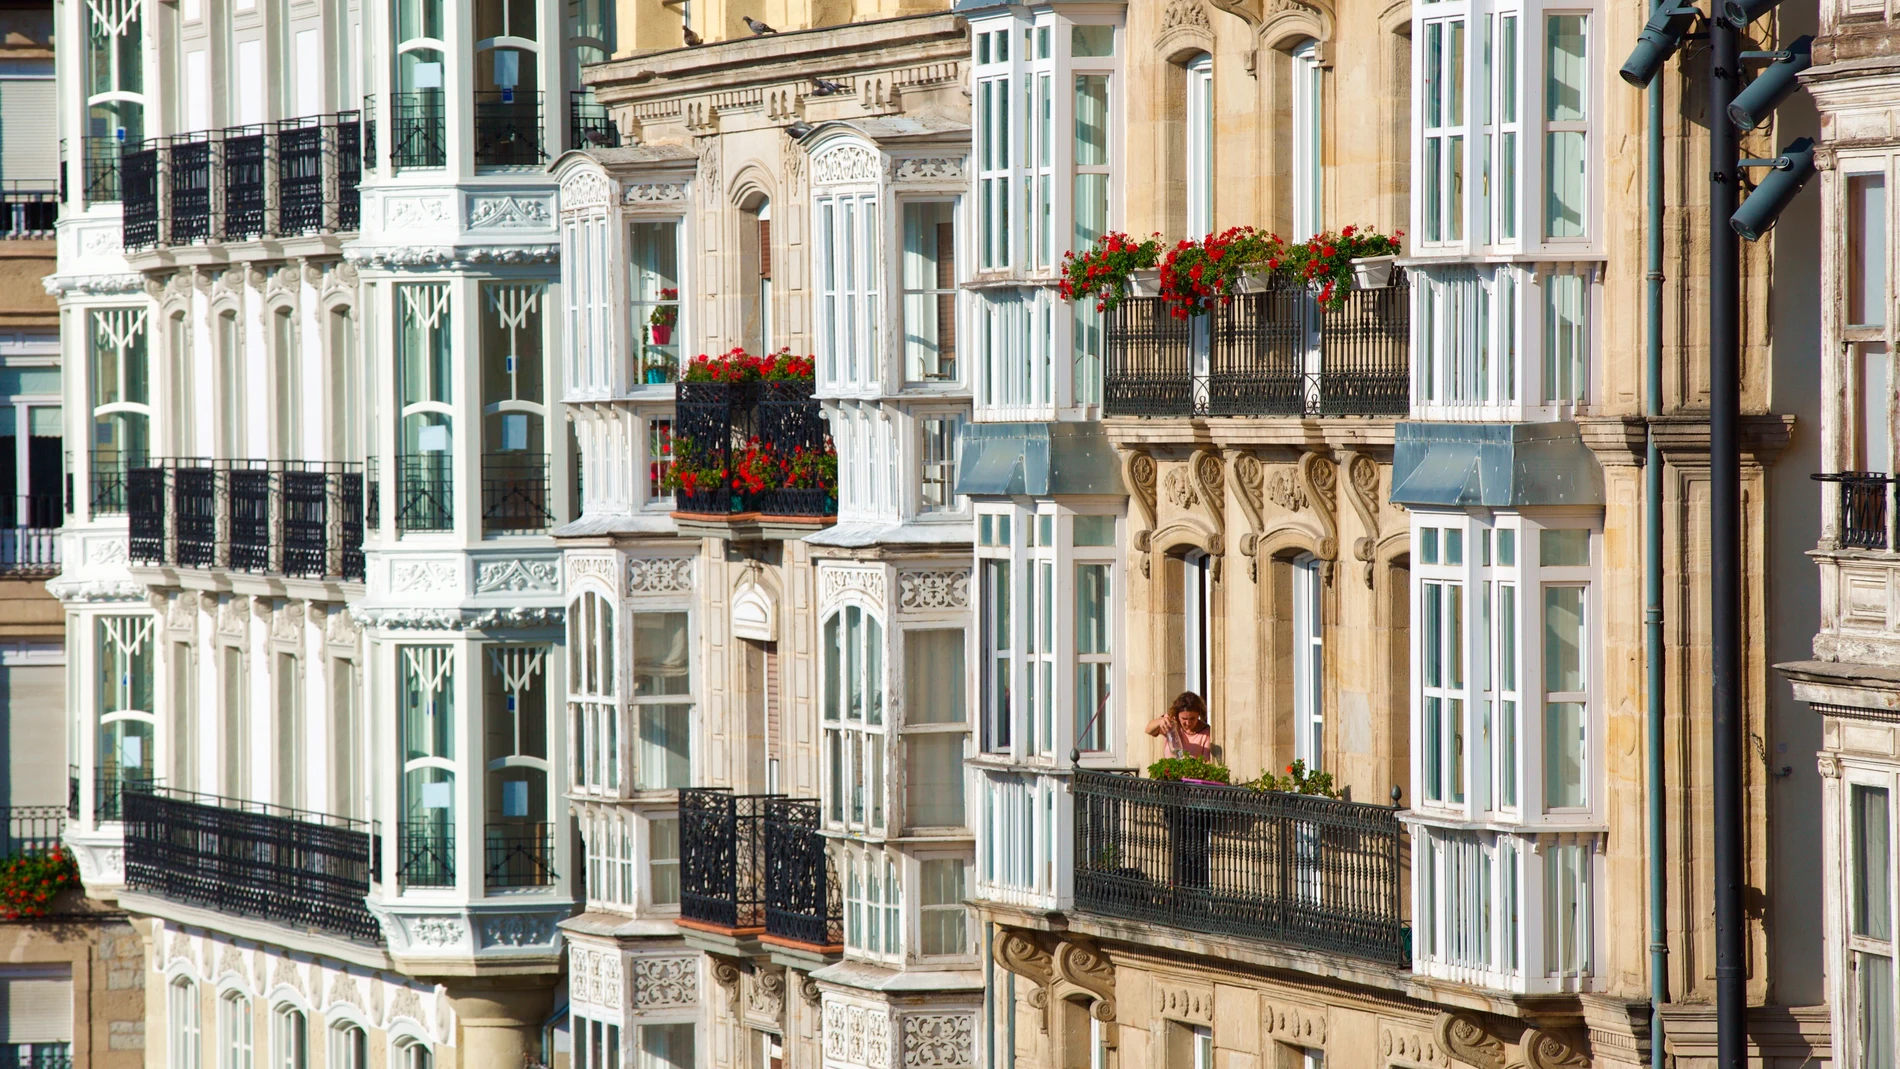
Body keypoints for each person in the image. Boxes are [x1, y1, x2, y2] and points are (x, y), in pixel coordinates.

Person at [1146, 691, 1212, 760]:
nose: (1188, 723)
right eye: (1184, 718)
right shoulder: (1171, 723)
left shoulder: (1206, 732)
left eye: (1192, 718)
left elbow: (1206, 761)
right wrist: (1159, 721)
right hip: (1169, 769)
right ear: (1177, 714)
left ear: (1199, 714)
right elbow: (1148, 730)